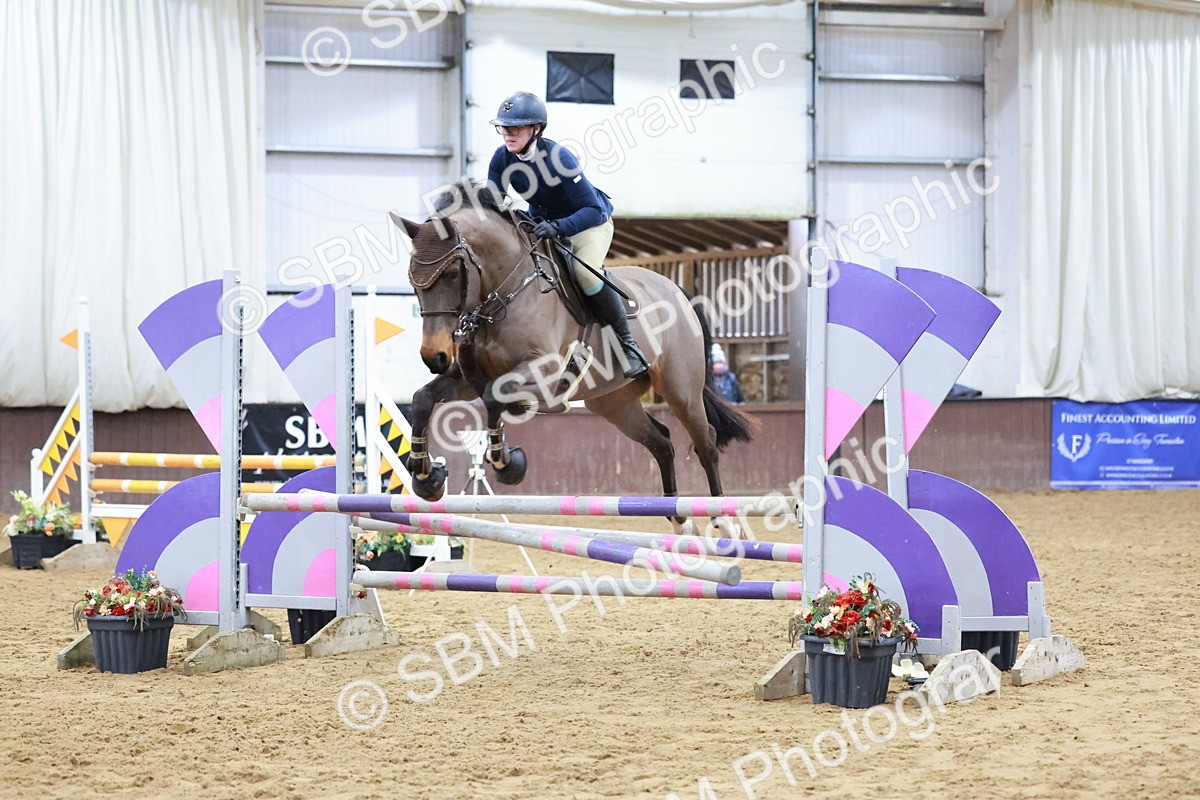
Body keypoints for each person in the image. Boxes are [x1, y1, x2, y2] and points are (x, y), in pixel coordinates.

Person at [486, 91, 648, 379]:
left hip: (588, 224)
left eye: (515, 128)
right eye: (504, 128)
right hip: (544, 223)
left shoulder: (559, 158)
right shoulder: (501, 157)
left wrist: (559, 227)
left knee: (585, 275)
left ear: (536, 129)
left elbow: (593, 210)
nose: (508, 134)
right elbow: (493, 204)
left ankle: (628, 345)